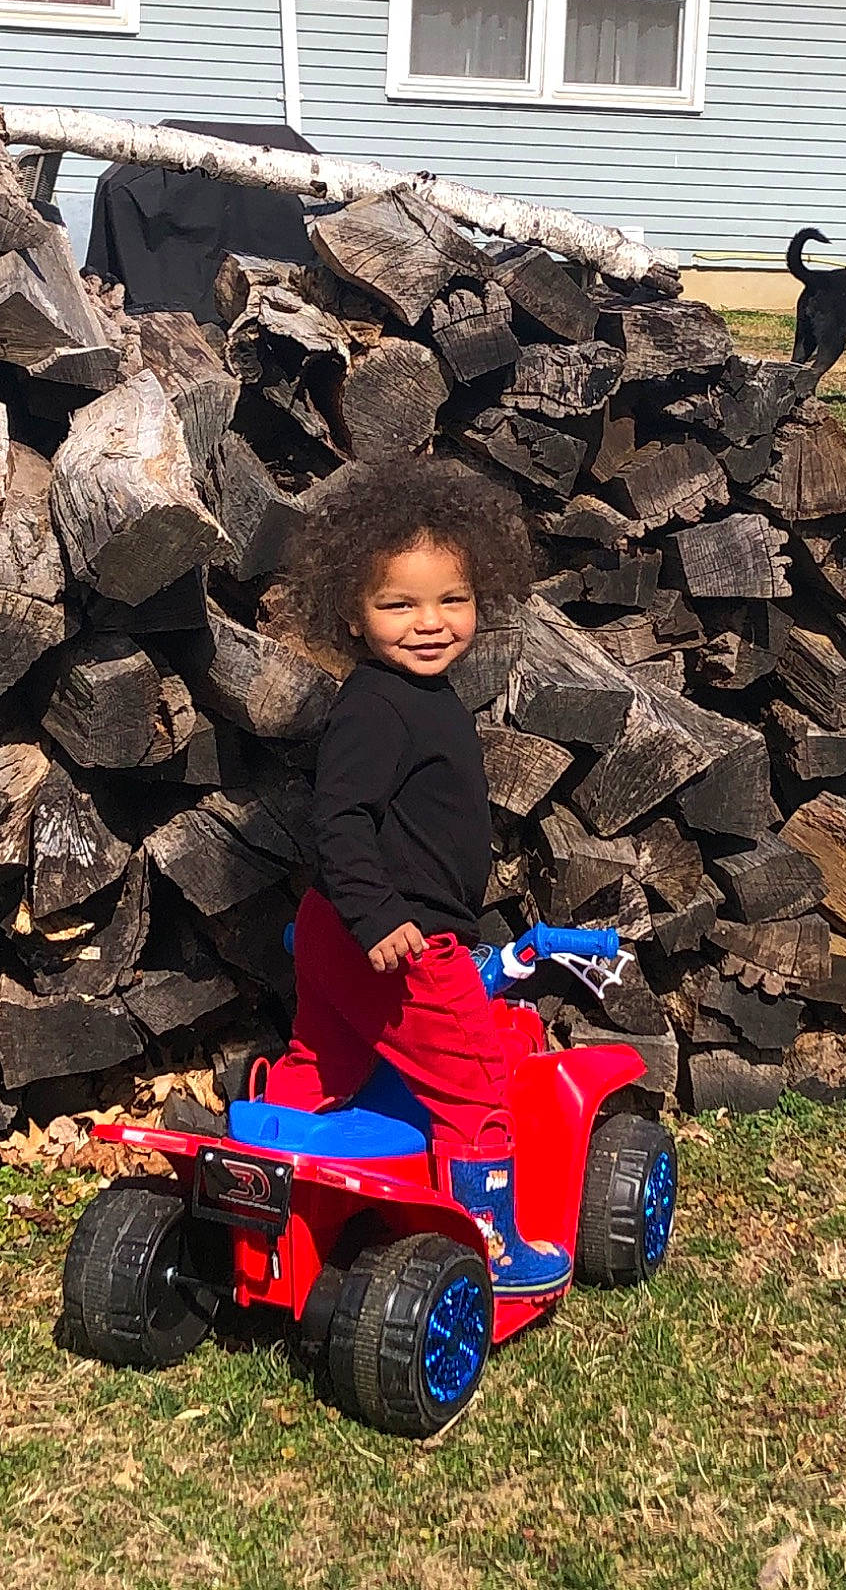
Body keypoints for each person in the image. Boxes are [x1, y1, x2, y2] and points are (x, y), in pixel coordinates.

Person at [257, 458, 572, 1298]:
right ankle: (491, 1248)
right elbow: (341, 818)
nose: (429, 623)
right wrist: (375, 915)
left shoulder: (423, 694)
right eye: (398, 604)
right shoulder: (375, 705)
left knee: (321, 1062)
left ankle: (266, 1186)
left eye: (452, 600)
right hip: (396, 942)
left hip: (339, 933)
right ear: (352, 617)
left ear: (482, 597)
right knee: (476, 1088)